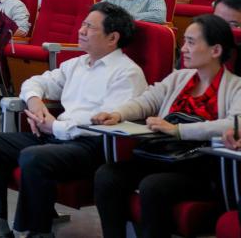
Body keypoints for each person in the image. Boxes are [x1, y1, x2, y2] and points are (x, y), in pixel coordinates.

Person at [0, 3, 146, 238]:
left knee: (34, 157)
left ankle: (38, 232)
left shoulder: (127, 73)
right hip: (56, 136)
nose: (81, 30)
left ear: (113, 38)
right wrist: (35, 103)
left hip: (92, 146)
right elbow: (35, 82)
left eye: (90, 27)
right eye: (83, 24)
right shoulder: (78, 63)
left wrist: (55, 126)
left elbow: (107, 124)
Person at [92, 15, 241, 238]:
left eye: (191, 42)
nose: (184, 49)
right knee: (107, 175)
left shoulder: (235, 87)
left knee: (153, 186)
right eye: (184, 41)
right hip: (163, 157)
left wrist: (178, 130)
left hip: (199, 167)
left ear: (216, 50)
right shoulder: (179, 78)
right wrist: (117, 114)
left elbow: (234, 124)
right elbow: (148, 100)